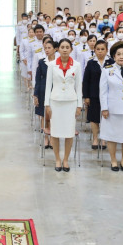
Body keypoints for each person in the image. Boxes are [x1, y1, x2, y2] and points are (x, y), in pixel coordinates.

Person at [45, 39, 82, 172]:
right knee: (55, 132)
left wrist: (79, 105)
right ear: (58, 49)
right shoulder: (52, 65)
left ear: (71, 49)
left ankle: (66, 159)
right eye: (62, 47)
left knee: (69, 133)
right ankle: (57, 159)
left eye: (67, 47)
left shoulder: (77, 65)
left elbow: (79, 86)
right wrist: (47, 104)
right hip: (55, 102)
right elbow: (48, 86)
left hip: (71, 102)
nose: (65, 49)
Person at [99, 41, 123, 172]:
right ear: (114, 56)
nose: (121, 56)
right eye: (118, 54)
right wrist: (104, 107)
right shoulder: (107, 70)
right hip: (112, 109)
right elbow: (103, 91)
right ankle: (113, 160)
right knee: (112, 136)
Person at [83, 40, 114, 150]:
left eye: (102, 49)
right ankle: (95, 138)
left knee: (106, 117)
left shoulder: (112, 62)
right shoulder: (91, 62)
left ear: (106, 50)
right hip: (94, 94)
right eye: (98, 49)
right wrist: (86, 96)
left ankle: (104, 138)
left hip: (109, 95)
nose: (100, 51)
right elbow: (86, 80)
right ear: (94, 50)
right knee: (94, 117)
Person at [34, 40, 57, 148]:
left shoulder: (59, 62)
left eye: (49, 48)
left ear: (55, 49)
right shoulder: (42, 62)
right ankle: (46, 138)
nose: (47, 50)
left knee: (53, 115)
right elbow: (38, 79)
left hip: (55, 91)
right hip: (43, 91)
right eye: (45, 48)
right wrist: (36, 95)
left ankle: (52, 137)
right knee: (44, 115)